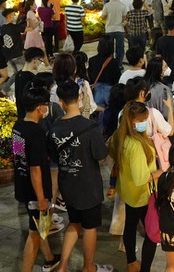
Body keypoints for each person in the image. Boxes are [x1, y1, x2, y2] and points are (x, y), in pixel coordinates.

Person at [48, 79, 110, 272]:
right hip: (89, 186)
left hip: (68, 186)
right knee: (90, 227)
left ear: (60, 102)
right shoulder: (90, 127)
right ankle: (88, 267)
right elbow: (101, 158)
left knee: (74, 223)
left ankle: (63, 266)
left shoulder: (54, 129)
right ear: (80, 97)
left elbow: (54, 159)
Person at [13, 87, 61, 272]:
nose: (47, 109)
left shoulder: (18, 126)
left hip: (23, 187)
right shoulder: (36, 133)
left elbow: (19, 157)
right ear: (40, 107)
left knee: (40, 227)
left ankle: (49, 257)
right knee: (34, 234)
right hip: (36, 192)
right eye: (46, 105)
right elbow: (35, 168)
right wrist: (41, 198)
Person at [110, 101, 161, 272]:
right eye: (144, 120)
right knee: (152, 233)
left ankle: (131, 262)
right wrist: (159, 173)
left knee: (130, 226)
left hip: (128, 191)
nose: (146, 123)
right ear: (133, 121)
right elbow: (141, 178)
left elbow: (110, 151)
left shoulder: (119, 135)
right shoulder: (137, 145)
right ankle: (144, 268)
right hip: (142, 194)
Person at [88, 35, 122, 108]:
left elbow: (91, 76)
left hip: (97, 89)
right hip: (110, 90)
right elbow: (117, 78)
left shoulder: (92, 60)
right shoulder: (113, 62)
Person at [102, 0, 127, 65]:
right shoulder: (123, 6)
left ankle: (110, 64)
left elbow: (103, 16)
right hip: (120, 29)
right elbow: (124, 18)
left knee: (109, 49)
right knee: (120, 49)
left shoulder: (107, 5)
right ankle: (119, 64)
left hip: (109, 29)